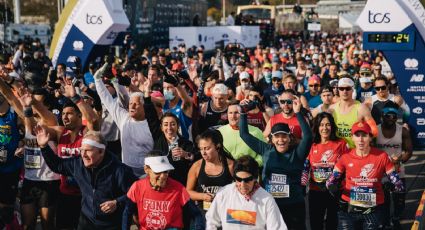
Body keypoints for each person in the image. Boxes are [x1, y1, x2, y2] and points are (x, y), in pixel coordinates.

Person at [35, 126, 137, 229]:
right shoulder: (78, 164)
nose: (83, 155)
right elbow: (57, 165)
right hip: (86, 222)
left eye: (88, 151)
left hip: (111, 224)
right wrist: (44, 147)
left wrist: (117, 202)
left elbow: (137, 193)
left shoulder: (119, 170)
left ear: (101, 152)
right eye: (81, 150)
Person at [240, 95, 313, 229]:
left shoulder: (298, 153)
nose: (281, 140)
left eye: (284, 136)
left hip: (294, 206)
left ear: (289, 138)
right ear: (271, 139)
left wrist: (298, 113)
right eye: (277, 137)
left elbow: (308, 137)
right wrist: (243, 112)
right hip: (270, 205)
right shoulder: (266, 149)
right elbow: (244, 134)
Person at [326, 121, 405, 229]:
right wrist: (333, 186)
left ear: (370, 137)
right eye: (357, 135)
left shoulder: (382, 156)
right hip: (348, 210)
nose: (361, 139)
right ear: (352, 138)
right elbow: (330, 181)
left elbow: (398, 184)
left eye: (364, 135)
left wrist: (391, 185)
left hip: (373, 211)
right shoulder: (345, 157)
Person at [94, 63, 154, 177]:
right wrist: (97, 80)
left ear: (144, 106)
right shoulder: (124, 118)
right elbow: (107, 100)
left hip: (148, 173)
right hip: (127, 172)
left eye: (136, 104)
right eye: (131, 103)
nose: (132, 106)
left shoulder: (152, 124)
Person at [127, 150, 205, 230]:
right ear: (146, 169)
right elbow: (127, 212)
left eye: (166, 171)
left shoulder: (179, 188)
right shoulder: (137, 187)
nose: (163, 176)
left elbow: (196, 214)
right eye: (158, 172)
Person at [206, 156, 287, 230]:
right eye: (238, 179)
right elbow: (211, 221)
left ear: (255, 178)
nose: (242, 185)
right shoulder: (224, 193)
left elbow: (277, 227)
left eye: (247, 180)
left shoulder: (267, 199)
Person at [301, 112, 348, 230]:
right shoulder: (312, 144)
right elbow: (306, 167)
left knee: (332, 224)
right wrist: (302, 184)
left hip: (334, 191)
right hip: (315, 190)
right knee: (315, 223)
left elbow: (347, 167)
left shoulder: (341, 143)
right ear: (317, 127)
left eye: (327, 124)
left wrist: (338, 183)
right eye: (321, 125)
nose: (324, 128)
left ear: (332, 126)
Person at [376, 102, 412, 229]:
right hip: (380, 172)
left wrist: (400, 161)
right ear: (382, 115)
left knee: (400, 200)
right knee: (383, 201)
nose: (391, 118)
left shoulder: (403, 130)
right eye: (388, 115)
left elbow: (408, 151)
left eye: (394, 116)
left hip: (397, 170)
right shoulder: (375, 130)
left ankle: (396, 218)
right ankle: (384, 222)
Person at [186, 130, 234, 213]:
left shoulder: (231, 166)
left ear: (218, 147)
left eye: (207, 148)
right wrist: (203, 196)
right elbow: (188, 192)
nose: (203, 153)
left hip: (225, 213)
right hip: (203, 214)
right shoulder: (197, 166)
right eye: (201, 149)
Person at [329, 77, 377, 148]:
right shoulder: (332, 109)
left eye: (348, 88)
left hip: (356, 153)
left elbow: (374, 131)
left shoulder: (361, 108)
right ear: (338, 90)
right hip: (338, 153)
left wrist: (364, 145)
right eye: (341, 89)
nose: (344, 91)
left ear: (352, 90)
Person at [218, 102, 264, 167]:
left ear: (244, 114)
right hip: (226, 172)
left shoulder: (256, 131)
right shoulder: (220, 131)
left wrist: (253, 164)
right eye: (230, 113)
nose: (233, 116)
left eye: (236, 113)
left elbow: (264, 153)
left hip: (249, 172)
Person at [162, 74, 194, 140]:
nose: (166, 90)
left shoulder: (184, 104)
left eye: (169, 87)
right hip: (169, 147)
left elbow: (186, 99)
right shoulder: (163, 105)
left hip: (185, 146)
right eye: (164, 88)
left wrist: (176, 84)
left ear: (176, 89)